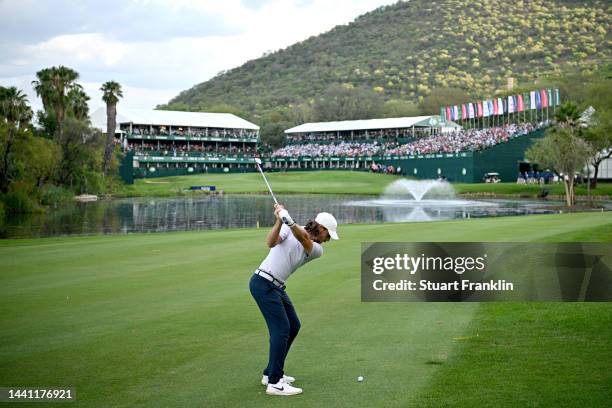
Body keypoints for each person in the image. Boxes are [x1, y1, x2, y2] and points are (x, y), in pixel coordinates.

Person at [249, 203, 339, 396]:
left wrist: (288, 220)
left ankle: (270, 372)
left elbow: (303, 238)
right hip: (263, 283)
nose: (329, 239)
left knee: (293, 325)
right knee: (281, 329)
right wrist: (278, 221)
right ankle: (275, 383)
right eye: (328, 234)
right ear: (321, 229)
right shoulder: (290, 228)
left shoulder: (317, 249)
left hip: (276, 286)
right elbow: (270, 243)